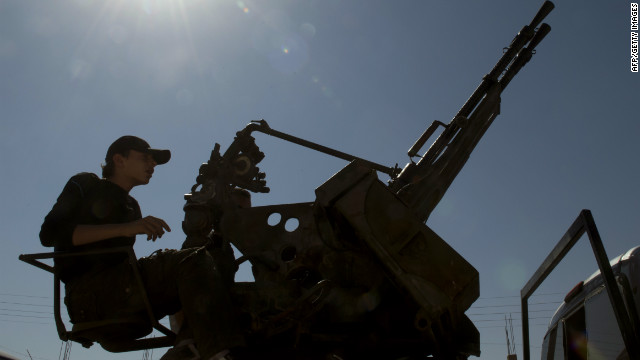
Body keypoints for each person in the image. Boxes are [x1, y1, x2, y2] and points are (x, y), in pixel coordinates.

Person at [39, 136, 245, 360]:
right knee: (191, 260)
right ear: (119, 160)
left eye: (154, 161)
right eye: (146, 158)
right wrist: (125, 228)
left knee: (216, 259)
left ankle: (189, 347)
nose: (152, 165)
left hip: (120, 290)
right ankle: (215, 352)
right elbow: (50, 234)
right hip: (89, 296)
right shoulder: (87, 184)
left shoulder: (131, 206)